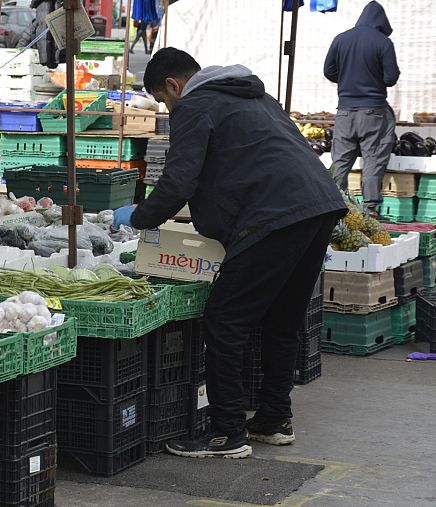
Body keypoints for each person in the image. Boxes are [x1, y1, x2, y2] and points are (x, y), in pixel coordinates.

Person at [113, 48, 347, 458]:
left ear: (173, 85)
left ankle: (226, 433)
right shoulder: (252, 95)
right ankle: (274, 419)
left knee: (225, 319)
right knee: (282, 318)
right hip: (319, 205)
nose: (170, 109)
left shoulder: (196, 105)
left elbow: (178, 182)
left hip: (274, 215)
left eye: (166, 102)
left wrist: (140, 217)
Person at [325, 1, 400, 216]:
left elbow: (329, 71)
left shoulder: (340, 39)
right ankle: (369, 208)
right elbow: (390, 78)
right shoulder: (383, 42)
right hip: (374, 111)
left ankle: (335, 205)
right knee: (373, 158)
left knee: (340, 160)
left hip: (345, 112)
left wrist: (348, 79)